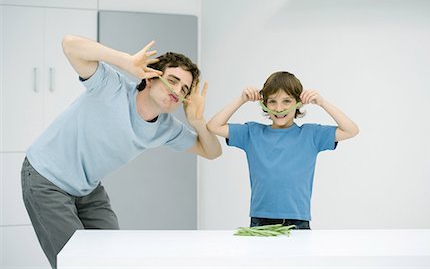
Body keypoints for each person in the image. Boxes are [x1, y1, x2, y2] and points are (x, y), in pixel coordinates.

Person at [21, 35, 222, 269]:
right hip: (46, 178)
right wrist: (125, 61)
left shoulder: (166, 128)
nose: (177, 90)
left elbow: (212, 151)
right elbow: (69, 45)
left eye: (184, 88)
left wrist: (198, 121)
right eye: (173, 80)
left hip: (86, 188)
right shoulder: (111, 87)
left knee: (112, 259)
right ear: (151, 77)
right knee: (75, 263)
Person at [207, 71, 358, 230]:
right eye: (272, 101)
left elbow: (351, 130)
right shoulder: (252, 133)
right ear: (264, 104)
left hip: (297, 220)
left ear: (298, 103)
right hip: (261, 219)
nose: (279, 108)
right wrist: (241, 100)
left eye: (286, 101)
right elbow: (213, 126)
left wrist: (322, 102)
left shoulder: (311, 134)